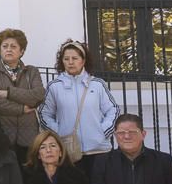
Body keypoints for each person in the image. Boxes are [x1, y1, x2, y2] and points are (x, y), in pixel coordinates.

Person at [39, 39, 120, 173]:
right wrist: (58, 133)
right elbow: (44, 114)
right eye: (66, 59)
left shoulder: (97, 84)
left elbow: (113, 109)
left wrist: (103, 131)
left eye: (75, 58)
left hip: (99, 150)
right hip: (69, 151)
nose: (70, 62)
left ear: (83, 61)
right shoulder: (54, 87)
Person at [0, 29, 47, 158]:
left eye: (13, 46)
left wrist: (9, 93)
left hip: (28, 136)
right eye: (5, 46)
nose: (8, 49)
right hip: (2, 134)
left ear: (21, 51)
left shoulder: (31, 71)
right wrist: (21, 108)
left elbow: (38, 95)